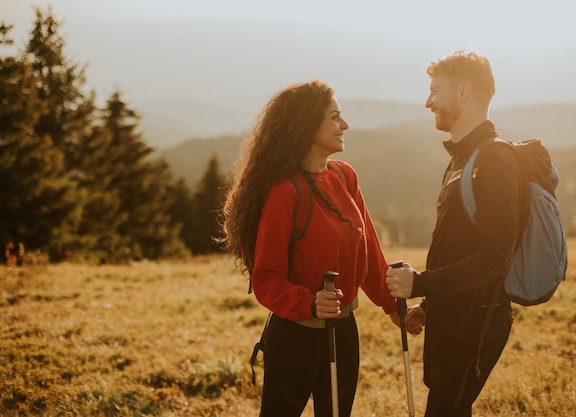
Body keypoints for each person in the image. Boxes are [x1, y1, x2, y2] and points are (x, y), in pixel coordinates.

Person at [222, 80, 404, 417]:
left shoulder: (344, 177)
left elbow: (370, 255)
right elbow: (267, 279)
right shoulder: (285, 191)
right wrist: (309, 303)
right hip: (295, 338)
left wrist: (395, 306)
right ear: (307, 125)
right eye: (335, 117)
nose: (345, 125)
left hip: (345, 331)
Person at [385, 50, 529, 416]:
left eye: (435, 90)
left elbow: (496, 256)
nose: (428, 101)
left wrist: (422, 283)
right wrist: (431, 305)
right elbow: (459, 247)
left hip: (475, 325)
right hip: (455, 319)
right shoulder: (462, 159)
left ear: (464, 92)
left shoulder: (494, 160)